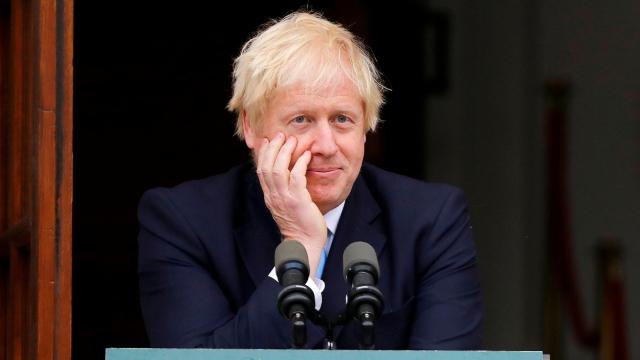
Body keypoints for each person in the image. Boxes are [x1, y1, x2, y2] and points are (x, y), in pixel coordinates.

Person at [137, 11, 482, 349]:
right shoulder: (182, 221)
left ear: (366, 127)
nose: (327, 146)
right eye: (301, 119)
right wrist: (302, 243)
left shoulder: (432, 220)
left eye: (342, 119)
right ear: (250, 127)